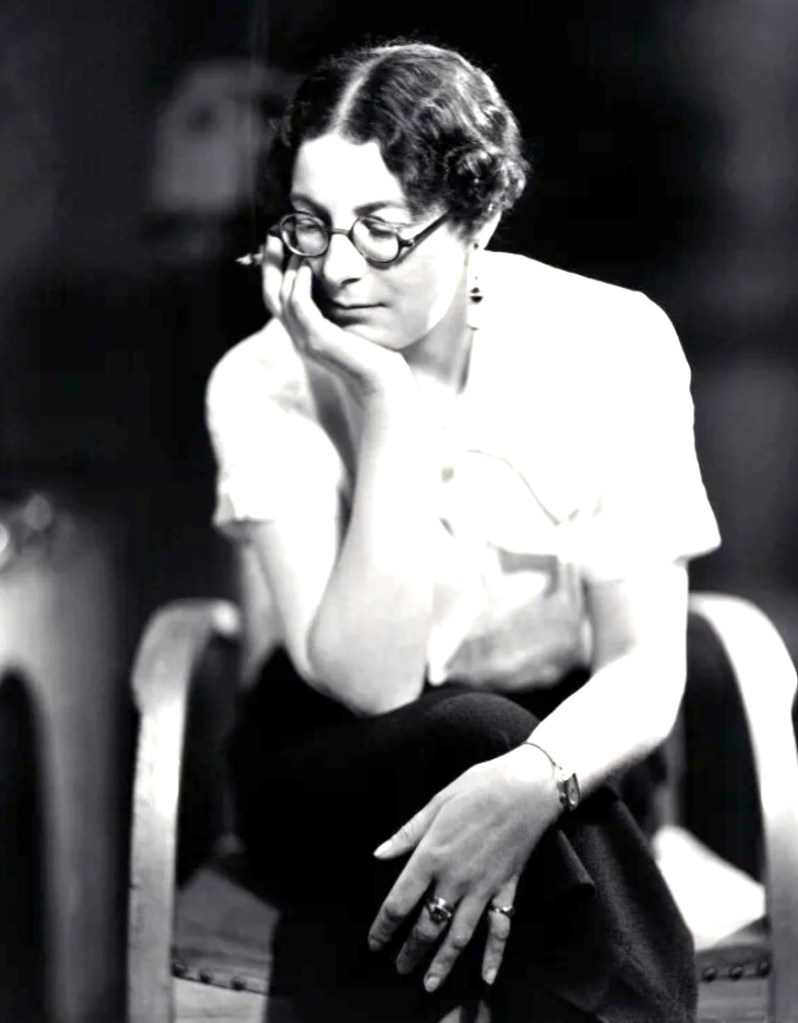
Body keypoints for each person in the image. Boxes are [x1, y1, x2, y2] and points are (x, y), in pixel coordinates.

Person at [205, 39, 721, 1023]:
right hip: (333, 758)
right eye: (311, 225)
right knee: (472, 732)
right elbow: (375, 683)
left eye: (382, 230)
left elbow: (645, 668)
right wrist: (383, 400)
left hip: (571, 740)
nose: (338, 268)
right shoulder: (261, 380)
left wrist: (528, 784)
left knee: (495, 746)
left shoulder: (614, 342)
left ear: (478, 216)